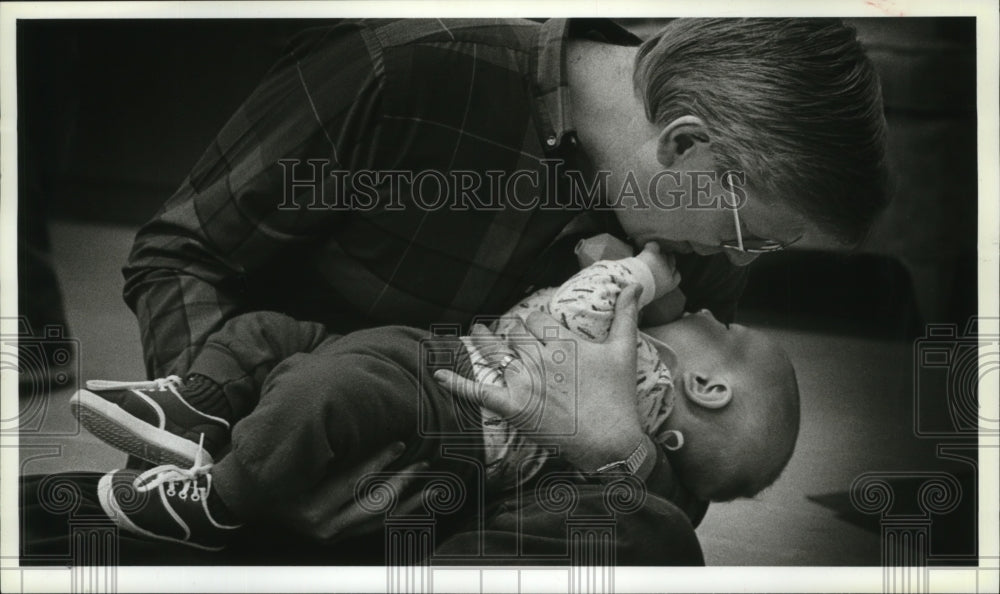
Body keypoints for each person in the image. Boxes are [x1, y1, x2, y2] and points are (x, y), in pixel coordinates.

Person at [105, 17, 887, 561]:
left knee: (654, 544)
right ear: (685, 145)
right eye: (752, 234)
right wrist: (245, 446)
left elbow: (691, 465)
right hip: (279, 449)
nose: (739, 266)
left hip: (477, 516)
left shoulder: (693, 251)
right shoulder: (406, 63)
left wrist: (615, 446)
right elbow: (187, 251)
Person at [75, 238, 799, 550]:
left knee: (329, 385)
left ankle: (216, 504)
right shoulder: (656, 423)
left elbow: (592, 291)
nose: (713, 311)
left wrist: (645, 271)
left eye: (725, 332)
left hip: (462, 409)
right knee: (281, 336)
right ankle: (198, 403)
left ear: (703, 386)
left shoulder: (635, 368)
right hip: (451, 361)